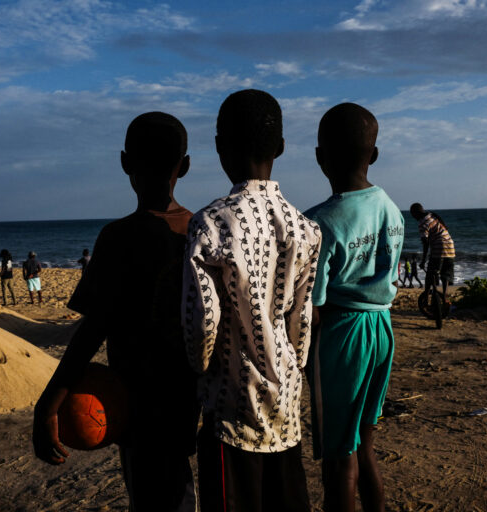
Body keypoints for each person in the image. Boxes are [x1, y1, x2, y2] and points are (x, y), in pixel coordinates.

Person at [33, 112, 200, 512]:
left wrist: (49, 401)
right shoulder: (199, 230)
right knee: (177, 482)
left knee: (151, 492)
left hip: (132, 399)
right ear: (186, 165)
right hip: (188, 396)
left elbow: (94, 328)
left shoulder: (118, 237)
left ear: (125, 162)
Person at [182, 89, 321, 512]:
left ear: (220, 148)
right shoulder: (305, 228)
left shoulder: (209, 223)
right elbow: (302, 320)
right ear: (280, 147)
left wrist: (200, 369)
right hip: (286, 403)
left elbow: (202, 319)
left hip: (231, 404)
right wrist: (292, 367)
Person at [304, 103, 403, 512]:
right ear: (374, 154)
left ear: (319, 156)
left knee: (338, 458)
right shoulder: (391, 209)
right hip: (382, 329)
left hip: (342, 337)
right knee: (364, 442)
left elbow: (313, 302)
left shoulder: (320, 222)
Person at [410, 203, 455, 301]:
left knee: (430, 273)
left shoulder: (423, 223)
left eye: (412, 215)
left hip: (439, 247)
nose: (413, 217)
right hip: (450, 247)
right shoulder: (432, 216)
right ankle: (444, 296)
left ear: (415, 213)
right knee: (445, 274)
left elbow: (425, 243)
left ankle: (426, 297)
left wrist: (423, 260)